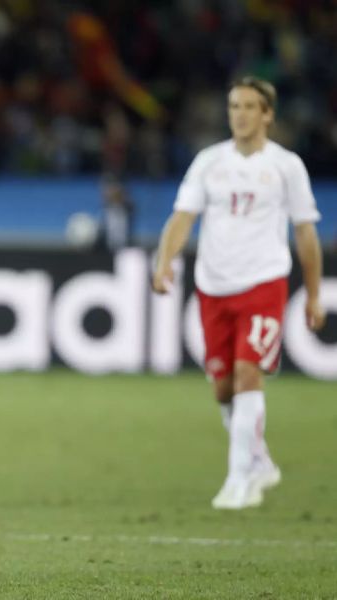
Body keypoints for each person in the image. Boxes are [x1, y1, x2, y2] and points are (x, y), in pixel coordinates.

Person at [152, 76, 326, 510]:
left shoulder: (287, 166)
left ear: (267, 114)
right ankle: (260, 461)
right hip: (214, 285)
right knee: (223, 388)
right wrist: (165, 262)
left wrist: (314, 294)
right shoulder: (209, 162)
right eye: (234, 106)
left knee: (249, 373)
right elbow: (181, 218)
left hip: (264, 282)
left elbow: (305, 232)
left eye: (249, 106)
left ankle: (238, 479)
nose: (240, 114)